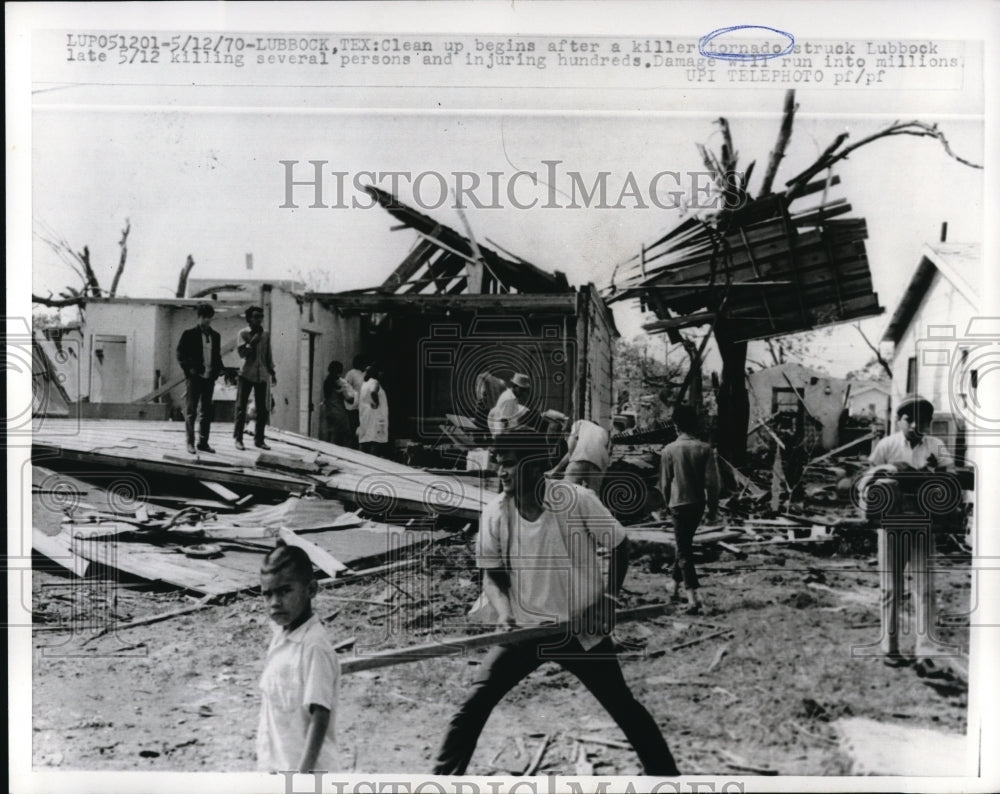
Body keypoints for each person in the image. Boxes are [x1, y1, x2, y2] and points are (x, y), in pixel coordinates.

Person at [432, 429, 680, 776]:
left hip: (579, 629)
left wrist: (607, 600)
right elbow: (493, 576)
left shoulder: (576, 500)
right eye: (499, 464)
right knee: (473, 705)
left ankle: (667, 779)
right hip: (524, 633)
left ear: (536, 467)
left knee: (623, 706)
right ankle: (441, 781)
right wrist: (504, 614)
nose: (502, 472)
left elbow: (619, 543)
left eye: (510, 464)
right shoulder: (494, 514)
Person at [860, 395, 955, 676]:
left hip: (923, 525)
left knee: (925, 589)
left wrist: (934, 477)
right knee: (890, 588)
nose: (915, 425)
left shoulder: (935, 446)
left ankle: (925, 651)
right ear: (898, 420)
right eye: (909, 419)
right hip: (892, 527)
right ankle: (890, 648)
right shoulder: (887, 445)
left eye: (921, 420)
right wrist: (886, 472)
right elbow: (866, 481)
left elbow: (951, 479)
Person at [257, 542, 339, 773]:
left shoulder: (314, 646)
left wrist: (302, 777)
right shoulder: (281, 637)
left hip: (308, 772)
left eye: (285, 591)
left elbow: (320, 716)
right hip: (279, 764)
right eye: (267, 594)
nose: (275, 602)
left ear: (310, 590)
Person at [658, 404, 720, 615]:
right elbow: (712, 484)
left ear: (676, 426)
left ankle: (693, 597)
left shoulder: (668, 450)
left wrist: (666, 504)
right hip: (697, 505)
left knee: (684, 550)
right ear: (695, 425)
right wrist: (713, 509)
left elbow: (664, 483)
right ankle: (674, 586)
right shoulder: (705, 449)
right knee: (684, 544)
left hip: (678, 505)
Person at [176, 303, 224, 455]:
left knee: (206, 412)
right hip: (195, 378)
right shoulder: (189, 334)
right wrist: (189, 370)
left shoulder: (215, 336)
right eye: (204, 317)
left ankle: (203, 443)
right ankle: (190, 443)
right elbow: (180, 354)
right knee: (191, 411)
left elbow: (217, 356)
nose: (206, 320)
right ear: (198, 317)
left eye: (209, 317)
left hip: (209, 378)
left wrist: (220, 369)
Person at [234, 306, 276, 451]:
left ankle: (259, 439)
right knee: (241, 408)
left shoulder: (266, 334)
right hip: (246, 374)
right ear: (249, 319)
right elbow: (242, 354)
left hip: (261, 375)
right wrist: (253, 341)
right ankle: (238, 439)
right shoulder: (243, 333)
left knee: (262, 409)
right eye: (256, 316)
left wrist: (272, 372)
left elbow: (268, 354)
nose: (259, 319)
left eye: (261, 316)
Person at [548, 416, 612, 492]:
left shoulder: (579, 423)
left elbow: (571, 446)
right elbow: (606, 455)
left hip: (579, 460)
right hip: (598, 464)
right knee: (593, 495)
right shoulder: (604, 432)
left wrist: (556, 470)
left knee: (569, 490)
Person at [319, 361, 357, 447]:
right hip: (339, 413)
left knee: (329, 437)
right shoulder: (340, 383)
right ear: (340, 371)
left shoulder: (327, 381)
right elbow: (349, 399)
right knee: (340, 439)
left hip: (328, 411)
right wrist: (353, 394)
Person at [357, 364, 389, 457]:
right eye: (380, 372)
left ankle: (362, 460)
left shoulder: (365, 384)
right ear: (377, 373)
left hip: (365, 415)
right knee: (375, 440)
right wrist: (376, 403)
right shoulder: (375, 382)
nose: (382, 374)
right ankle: (372, 460)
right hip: (375, 416)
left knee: (365, 439)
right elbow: (373, 392)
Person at [487, 372, 531, 437]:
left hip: (506, 434)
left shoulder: (511, 397)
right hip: (504, 437)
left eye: (524, 390)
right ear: (515, 387)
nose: (523, 393)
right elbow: (504, 425)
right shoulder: (509, 399)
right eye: (522, 390)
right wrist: (520, 430)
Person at [343, 354, 366, 448]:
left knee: (361, 430)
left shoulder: (365, 374)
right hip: (353, 407)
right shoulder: (351, 373)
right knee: (353, 430)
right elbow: (346, 387)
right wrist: (350, 399)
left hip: (363, 407)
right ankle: (351, 448)